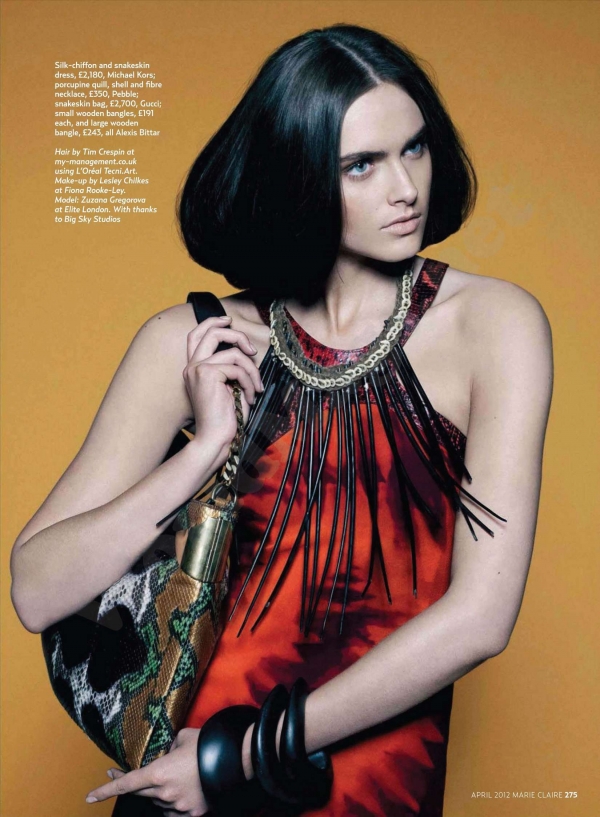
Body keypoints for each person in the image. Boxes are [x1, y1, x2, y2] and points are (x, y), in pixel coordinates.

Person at [10, 23, 553, 817]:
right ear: (297, 173)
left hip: (350, 789)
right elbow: (36, 589)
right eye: (361, 164)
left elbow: (481, 617)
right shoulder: (196, 338)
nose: (405, 187)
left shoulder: (493, 326)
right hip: (178, 790)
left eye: (414, 148)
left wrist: (235, 756)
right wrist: (204, 453)